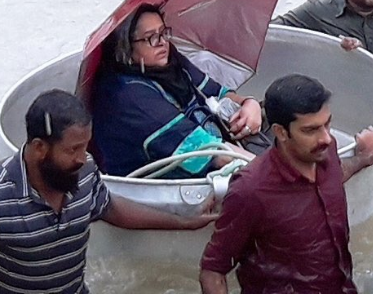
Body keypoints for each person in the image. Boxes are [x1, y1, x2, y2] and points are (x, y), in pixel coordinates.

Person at [0, 90, 217, 294]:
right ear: (39, 148)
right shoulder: (4, 194)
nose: (82, 158)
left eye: (85, 147)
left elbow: (109, 207)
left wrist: (184, 221)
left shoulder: (84, 171)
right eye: (73, 149)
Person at [199, 74, 373, 293]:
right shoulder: (251, 190)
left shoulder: (325, 150)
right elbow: (213, 270)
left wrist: (363, 159)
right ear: (280, 132)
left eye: (327, 124)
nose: (325, 137)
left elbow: (333, 177)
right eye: (310, 130)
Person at [92, 3, 262, 178]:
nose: (162, 42)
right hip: (171, 188)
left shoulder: (169, 62)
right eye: (150, 37)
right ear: (126, 46)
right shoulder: (126, 94)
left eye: (163, 32)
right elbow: (208, 152)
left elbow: (218, 93)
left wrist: (249, 104)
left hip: (222, 151)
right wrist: (267, 171)